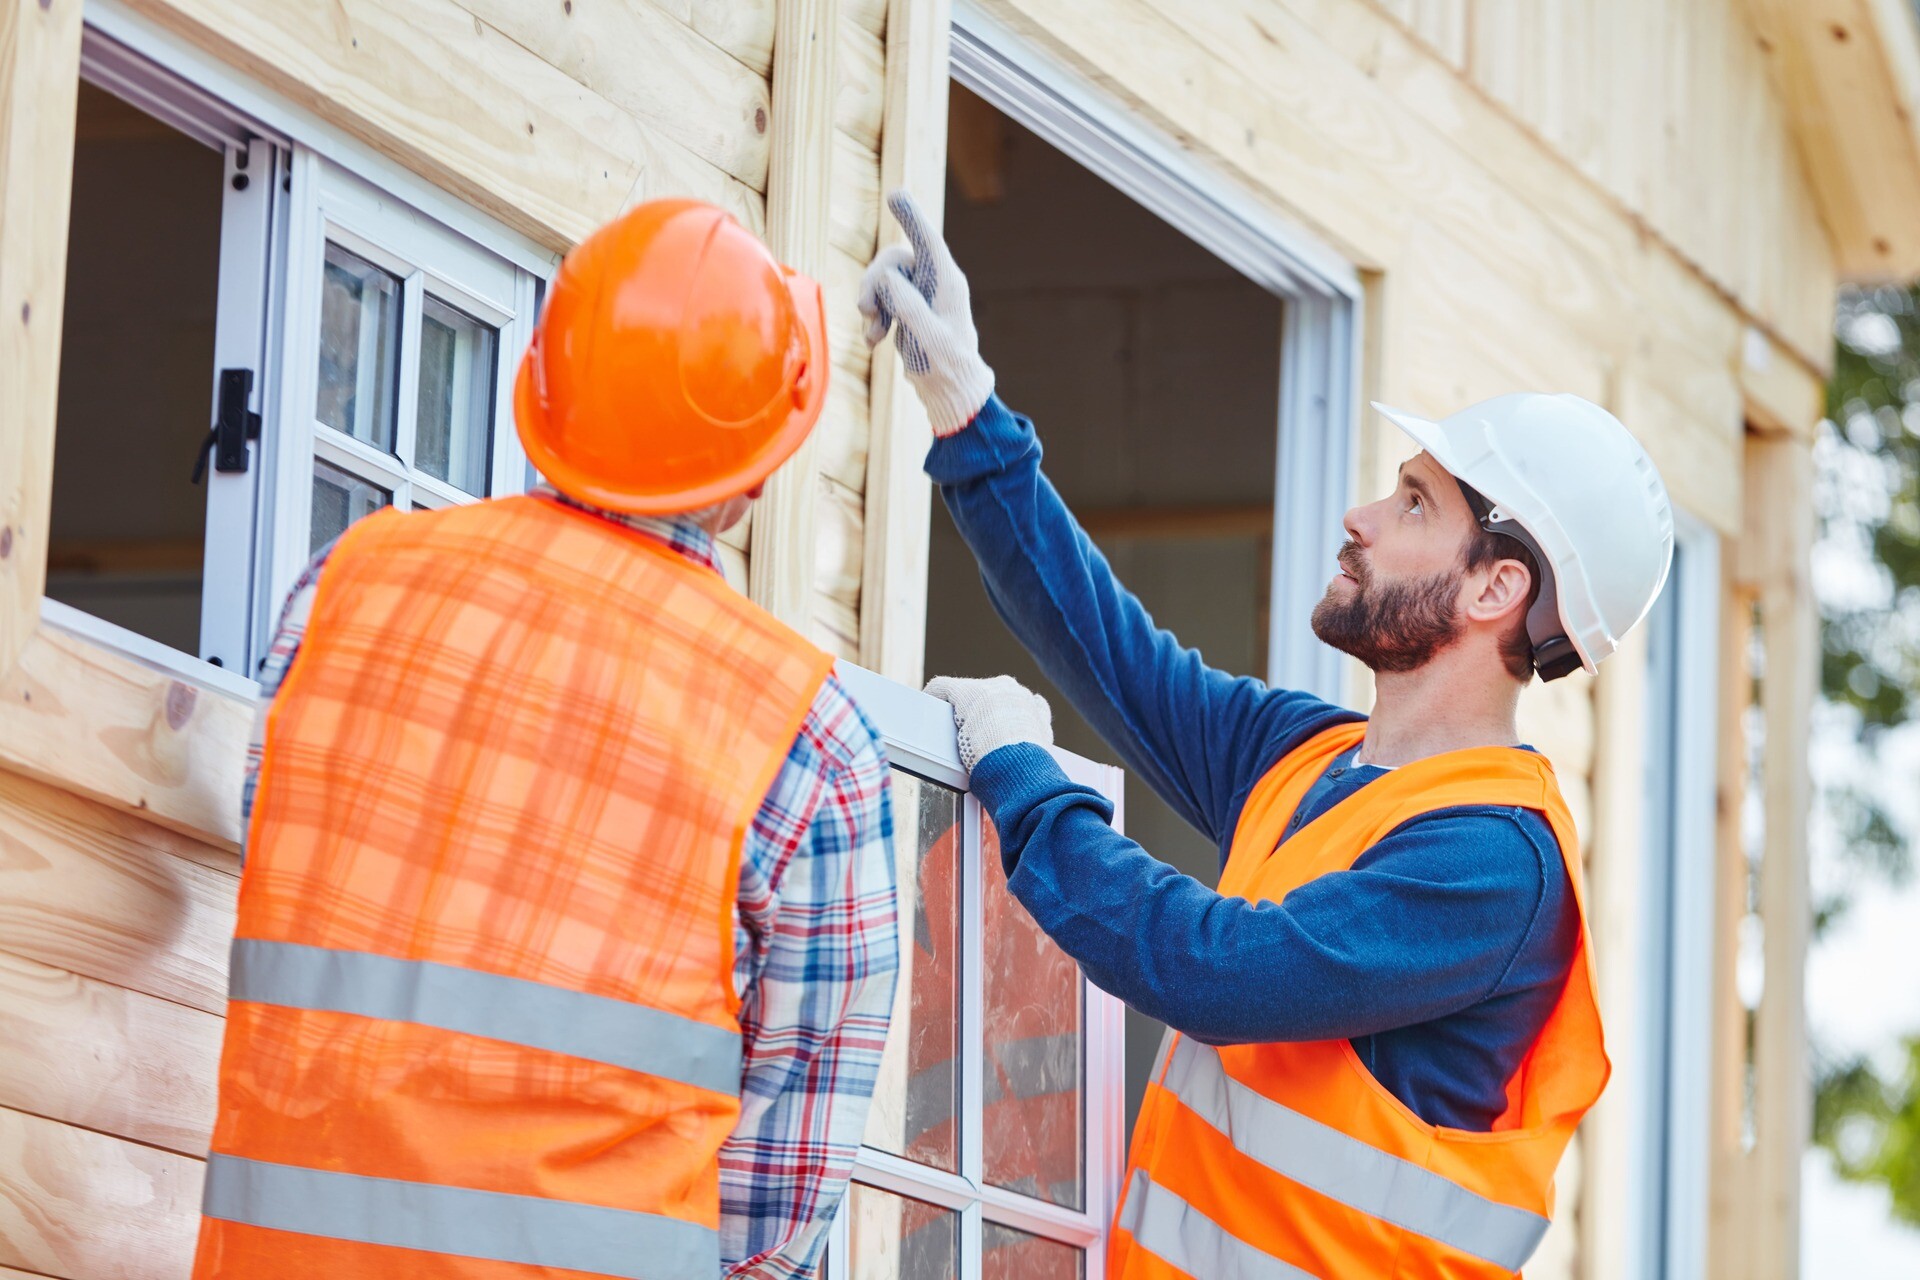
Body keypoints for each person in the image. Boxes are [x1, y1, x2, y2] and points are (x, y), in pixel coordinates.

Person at [862, 191, 1672, 1279]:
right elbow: (1109, 648)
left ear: (1497, 585)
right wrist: (966, 405)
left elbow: (1214, 969)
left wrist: (1022, 777)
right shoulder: (1308, 759)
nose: (1363, 518)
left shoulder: (1490, 867)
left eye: (1415, 505)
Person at [194, 200, 898, 1280]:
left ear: (541, 395)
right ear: (757, 470)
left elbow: (279, 861)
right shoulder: (806, 737)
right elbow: (774, 1207)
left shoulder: (344, 585)